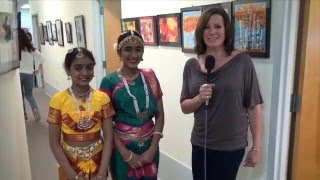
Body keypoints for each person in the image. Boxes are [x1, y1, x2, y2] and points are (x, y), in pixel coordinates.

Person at [180, 8, 263, 180]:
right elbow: (184, 107)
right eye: (207, 27)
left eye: (217, 26)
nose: (212, 32)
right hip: (200, 143)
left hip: (231, 146)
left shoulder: (242, 62)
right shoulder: (191, 65)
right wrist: (199, 98)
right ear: (200, 32)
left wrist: (256, 148)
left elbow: (254, 107)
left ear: (226, 30)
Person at [99, 30, 164, 180]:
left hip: (149, 147)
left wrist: (153, 149)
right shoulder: (109, 81)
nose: (134, 55)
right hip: (122, 149)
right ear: (119, 52)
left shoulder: (150, 76)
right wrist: (126, 154)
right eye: (128, 49)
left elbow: (160, 114)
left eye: (138, 49)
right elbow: (106, 124)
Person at [47, 47, 115, 180]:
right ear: (68, 70)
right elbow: (54, 143)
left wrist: (102, 173)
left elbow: (108, 138)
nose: (84, 72)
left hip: (98, 161)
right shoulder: (58, 100)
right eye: (78, 68)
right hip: (69, 163)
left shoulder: (102, 98)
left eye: (89, 68)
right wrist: (72, 175)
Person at [19, 29, 44, 121]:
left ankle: (24, 115)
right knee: (29, 95)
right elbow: (42, 57)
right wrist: (37, 68)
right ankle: (35, 109)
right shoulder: (30, 48)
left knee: (20, 95)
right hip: (29, 74)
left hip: (18, 75)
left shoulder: (14, 48)